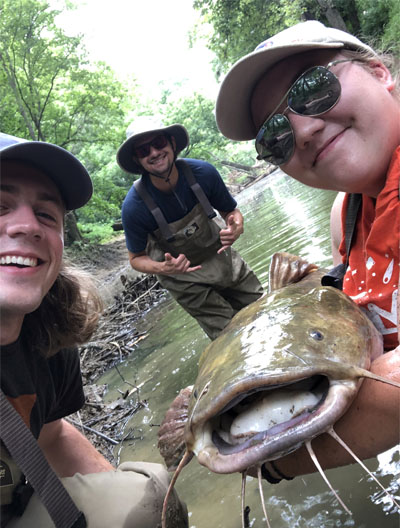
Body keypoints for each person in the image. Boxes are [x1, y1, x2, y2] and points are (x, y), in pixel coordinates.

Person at [215, 21, 399, 480]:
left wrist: (273, 460)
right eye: (274, 135)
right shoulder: (347, 216)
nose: (302, 132)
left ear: (379, 72)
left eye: (313, 87)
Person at [0, 133, 188, 527]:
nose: (27, 226)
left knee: (150, 497)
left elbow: (50, 436)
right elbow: (136, 259)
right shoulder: (136, 205)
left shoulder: (49, 334)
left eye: (46, 215)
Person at [117, 117, 263, 340]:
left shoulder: (204, 173)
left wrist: (236, 225)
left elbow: (231, 212)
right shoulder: (134, 207)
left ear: (172, 144)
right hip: (185, 281)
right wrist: (164, 268)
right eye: (144, 150)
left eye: (158, 143)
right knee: (230, 337)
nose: (154, 152)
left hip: (223, 260)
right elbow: (136, 259)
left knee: (264, 310)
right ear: (138, 160)